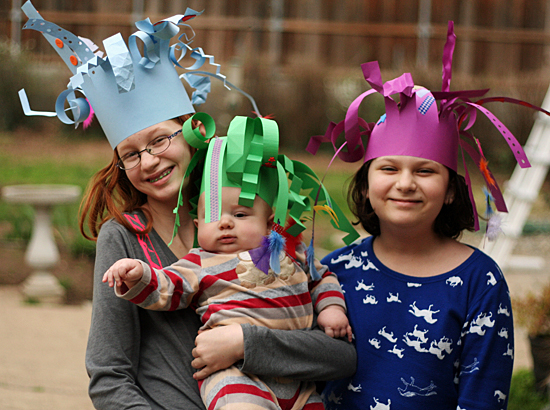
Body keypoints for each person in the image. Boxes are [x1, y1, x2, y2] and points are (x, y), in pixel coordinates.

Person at [18, 4, 357, 410]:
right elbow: (110, 375)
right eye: (130, 154)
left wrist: (244, 344)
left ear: (194, 131)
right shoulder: (124, 239)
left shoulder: (253, 223)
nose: (148, 161)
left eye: (161, 140)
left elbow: (340, 356)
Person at [307, 21, 549, 410]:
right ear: (366, 184)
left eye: (425, 171)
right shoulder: (333, 273)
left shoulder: (480, 282)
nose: (405, 183)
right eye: (388, 169)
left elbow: (483, 398)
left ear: (451, 190)